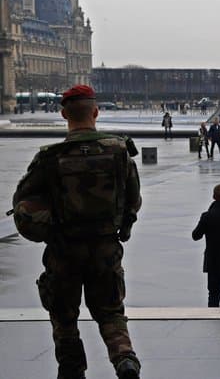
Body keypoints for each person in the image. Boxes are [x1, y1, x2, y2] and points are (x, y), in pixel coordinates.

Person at [12, 85, 142, 379]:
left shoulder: (49, 158)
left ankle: (72, 370)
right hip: (106, 247)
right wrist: (122, 226)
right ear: (96, 112)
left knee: (64, 317)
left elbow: (22, 199)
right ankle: (125, 359)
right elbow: (133, 200)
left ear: (63, 115)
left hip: (63, 250)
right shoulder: (119, 152)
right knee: (111, 313)